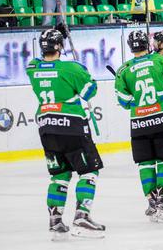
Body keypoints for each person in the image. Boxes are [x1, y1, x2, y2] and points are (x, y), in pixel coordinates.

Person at [25, 29, 104, 240]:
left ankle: (55, 220)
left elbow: (42, 64)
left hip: (46, 126)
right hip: (72, 125)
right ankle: (82, 216)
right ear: (60, 47)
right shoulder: (72, 68)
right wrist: (83, 71)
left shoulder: (32, 68)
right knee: (89, 172)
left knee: (59, 176)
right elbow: (89, 91)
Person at [115, 30, 163, 221]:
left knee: (145, 163)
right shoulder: (162, 61)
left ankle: (151, 200)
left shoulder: (123, 70)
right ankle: (162, 198)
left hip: (139, 122)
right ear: (147, 44)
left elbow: (124, 102)